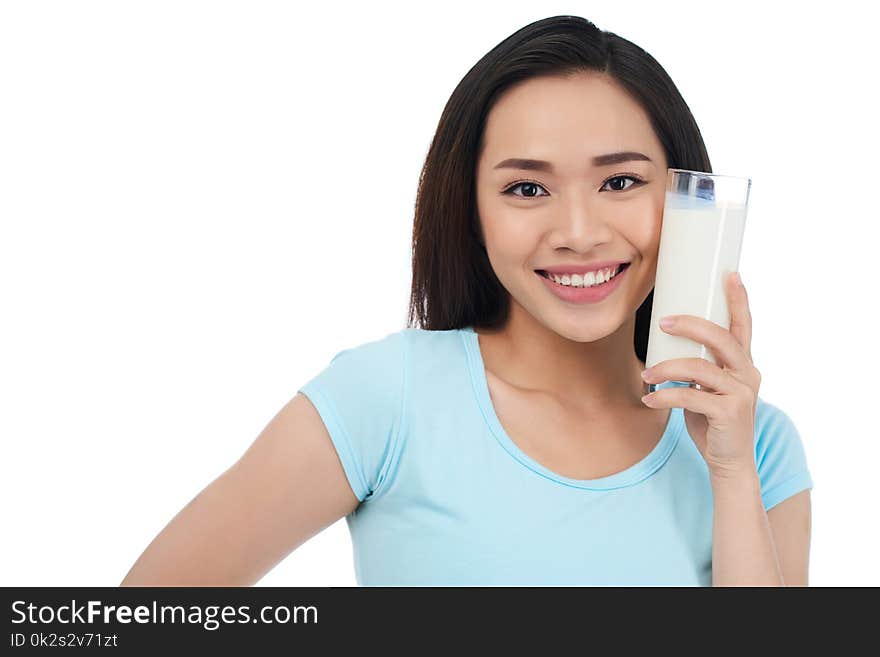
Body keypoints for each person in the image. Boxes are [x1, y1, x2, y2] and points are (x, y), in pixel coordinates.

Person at [121, 15, 812, 587]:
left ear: (683, 198)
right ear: (470, 208)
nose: (577, 233)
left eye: (620, 182)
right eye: (527, 189)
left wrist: (730, 470)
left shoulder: (756, 446)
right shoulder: (387, 400)